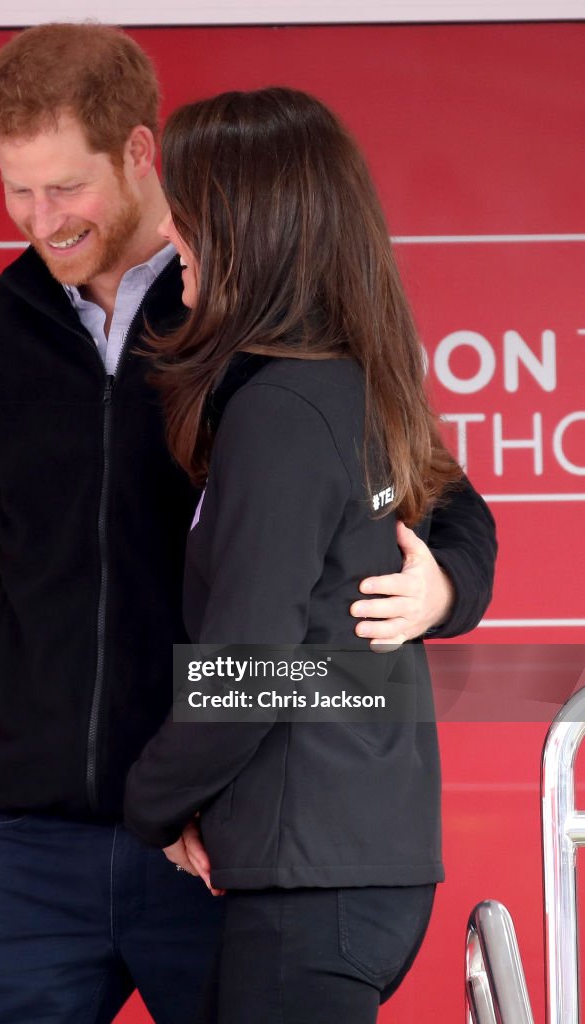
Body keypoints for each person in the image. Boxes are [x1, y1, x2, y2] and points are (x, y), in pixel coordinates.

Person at [0, 23, 496, 1024]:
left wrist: (443, 584)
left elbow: (438, 499)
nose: (39, 218)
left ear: (142, 155)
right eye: (17, 189)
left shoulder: (247, 323)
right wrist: (40, 681)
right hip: (31, 834)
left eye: (65, 188)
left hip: (215, 828)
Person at [123, 87, 478, 1023]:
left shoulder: (282, 411)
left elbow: (248, 668)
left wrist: (150, 804)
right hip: (350, 873)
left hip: (313, 883)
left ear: (253, 230)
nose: (168, 230)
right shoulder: (353, 386)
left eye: (186, 208)